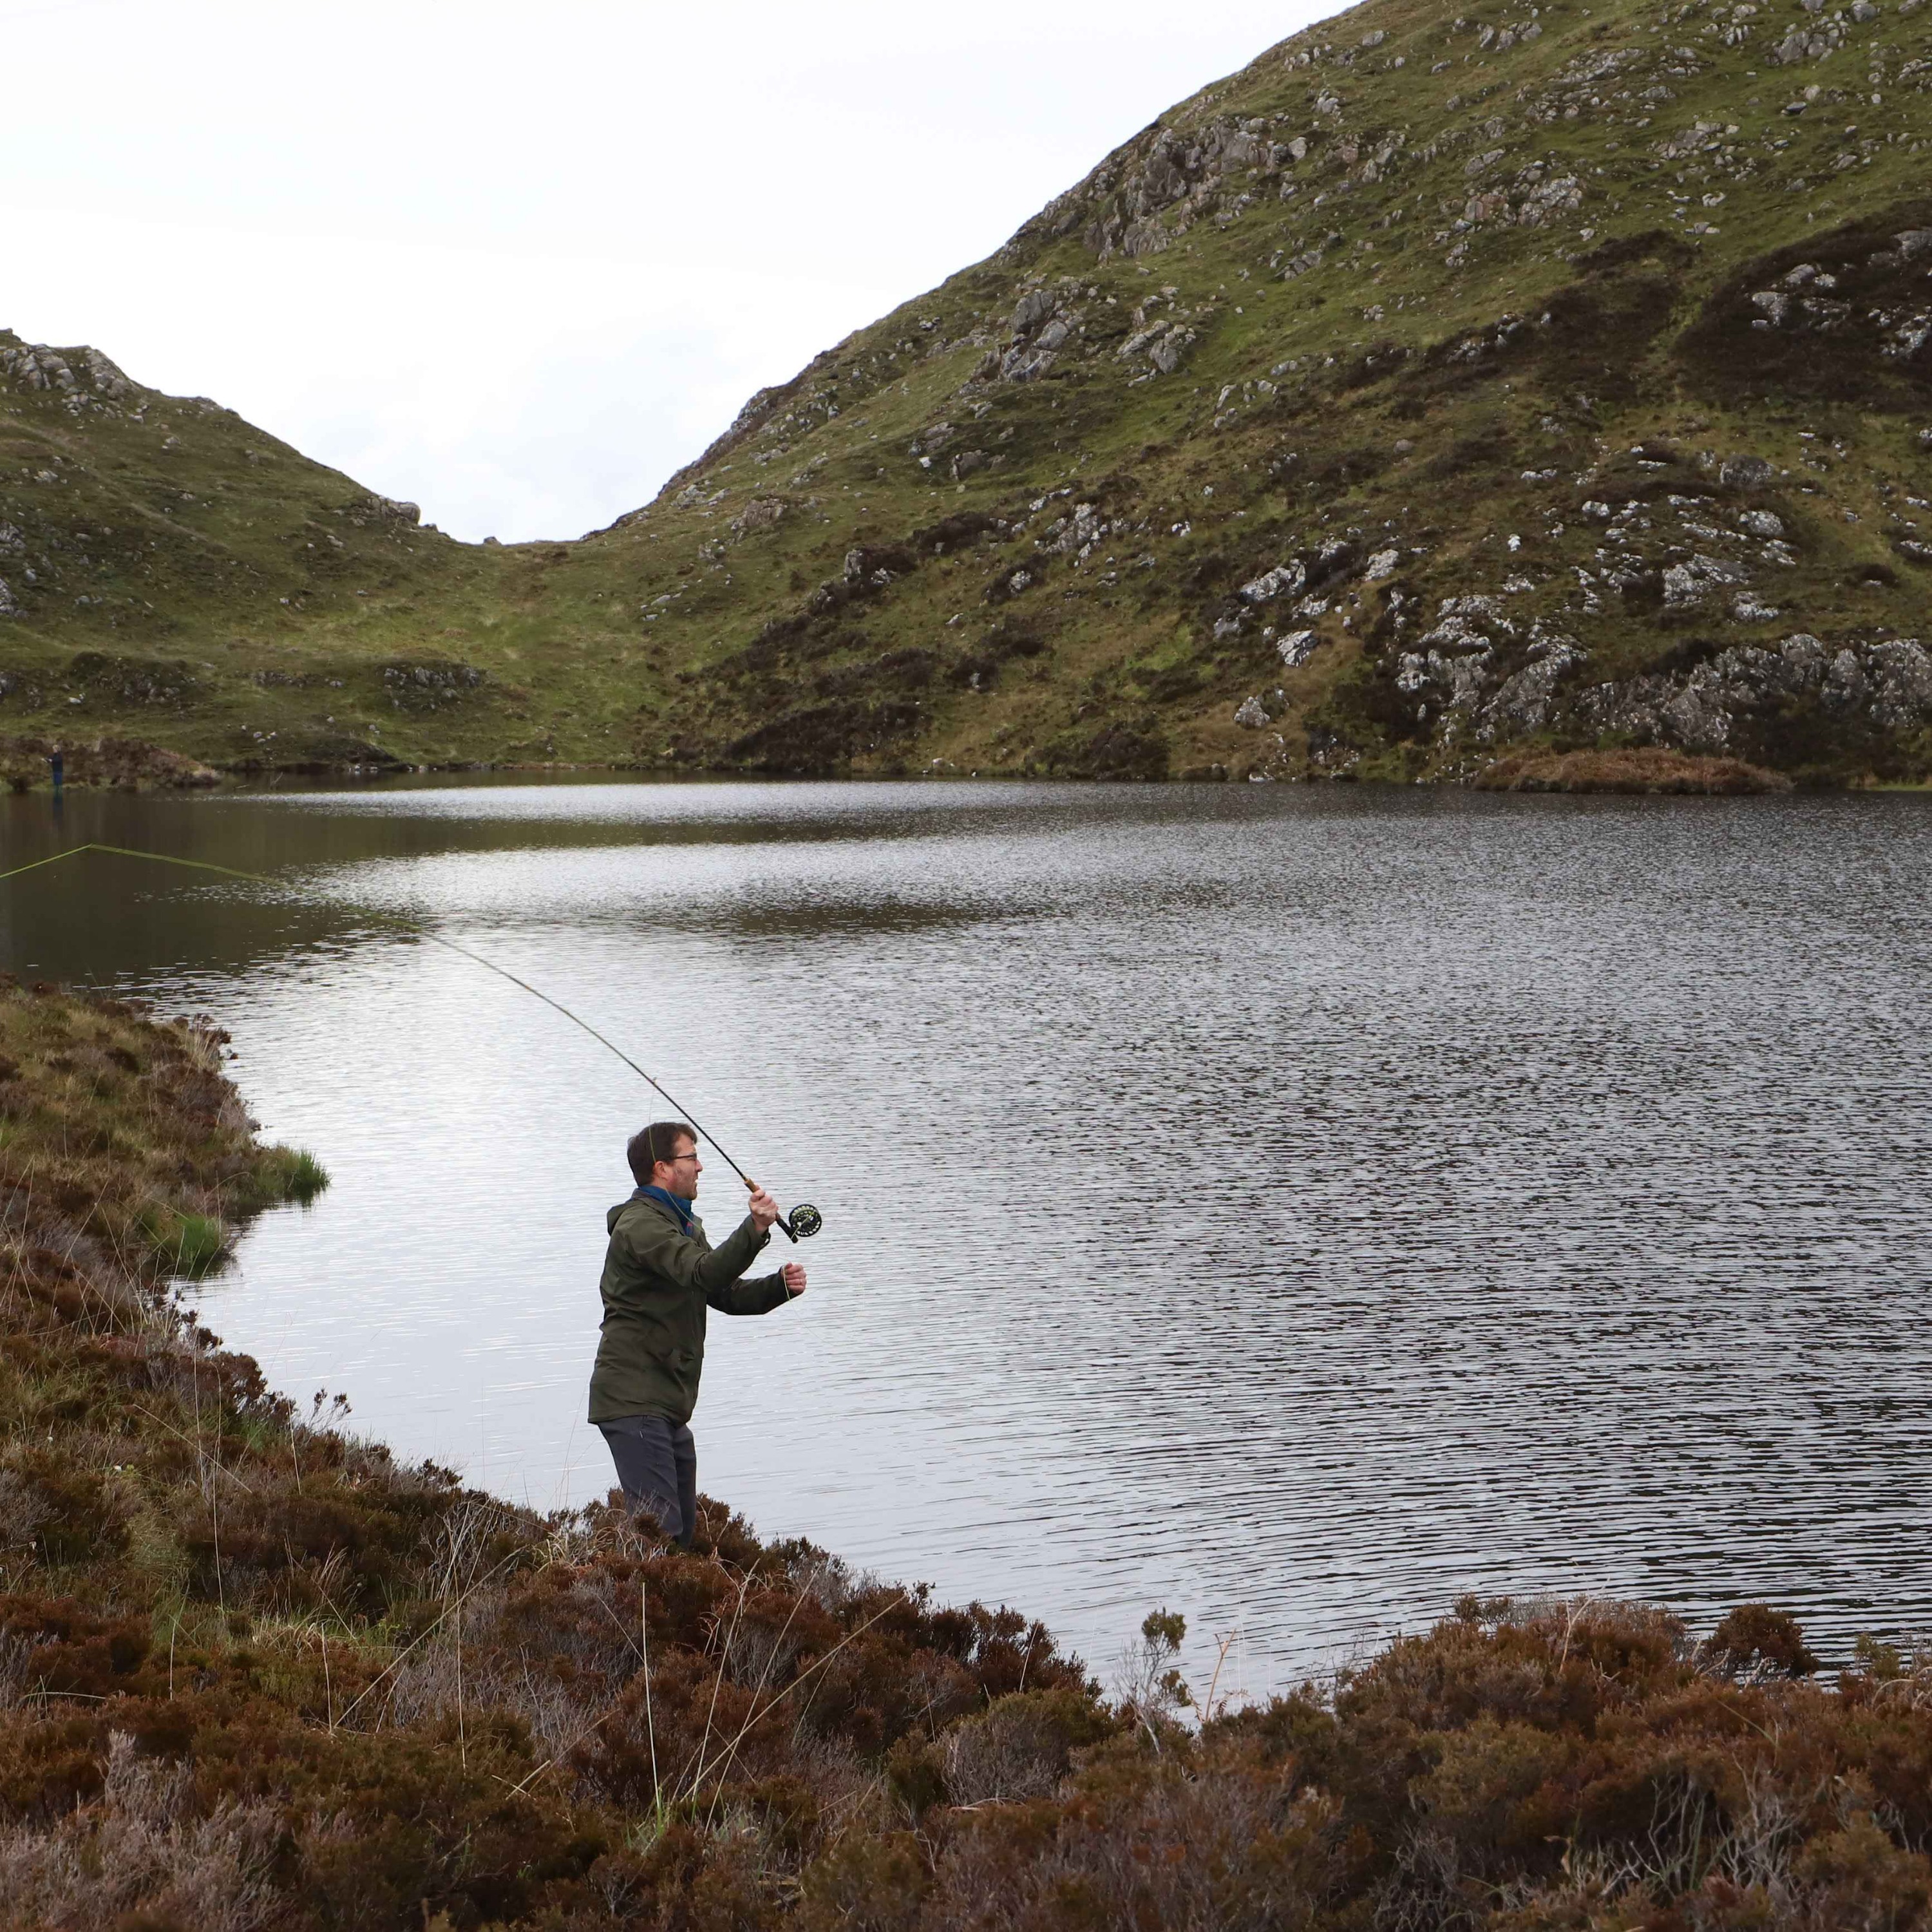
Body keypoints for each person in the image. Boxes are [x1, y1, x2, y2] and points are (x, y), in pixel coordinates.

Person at [587, 1119, 805, 1546]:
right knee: (658, 1536)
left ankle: (660, 1607)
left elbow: (720, 1290)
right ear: (663, 1168)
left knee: (682, 1534)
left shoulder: (684, 1225)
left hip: (665, 1403)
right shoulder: (641, 1227)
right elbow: (704, 1269)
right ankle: (634, 1608)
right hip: (633, 1400)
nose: (701, 1166)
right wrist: (755, 1228)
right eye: (692, 1157)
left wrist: (778, 1287)